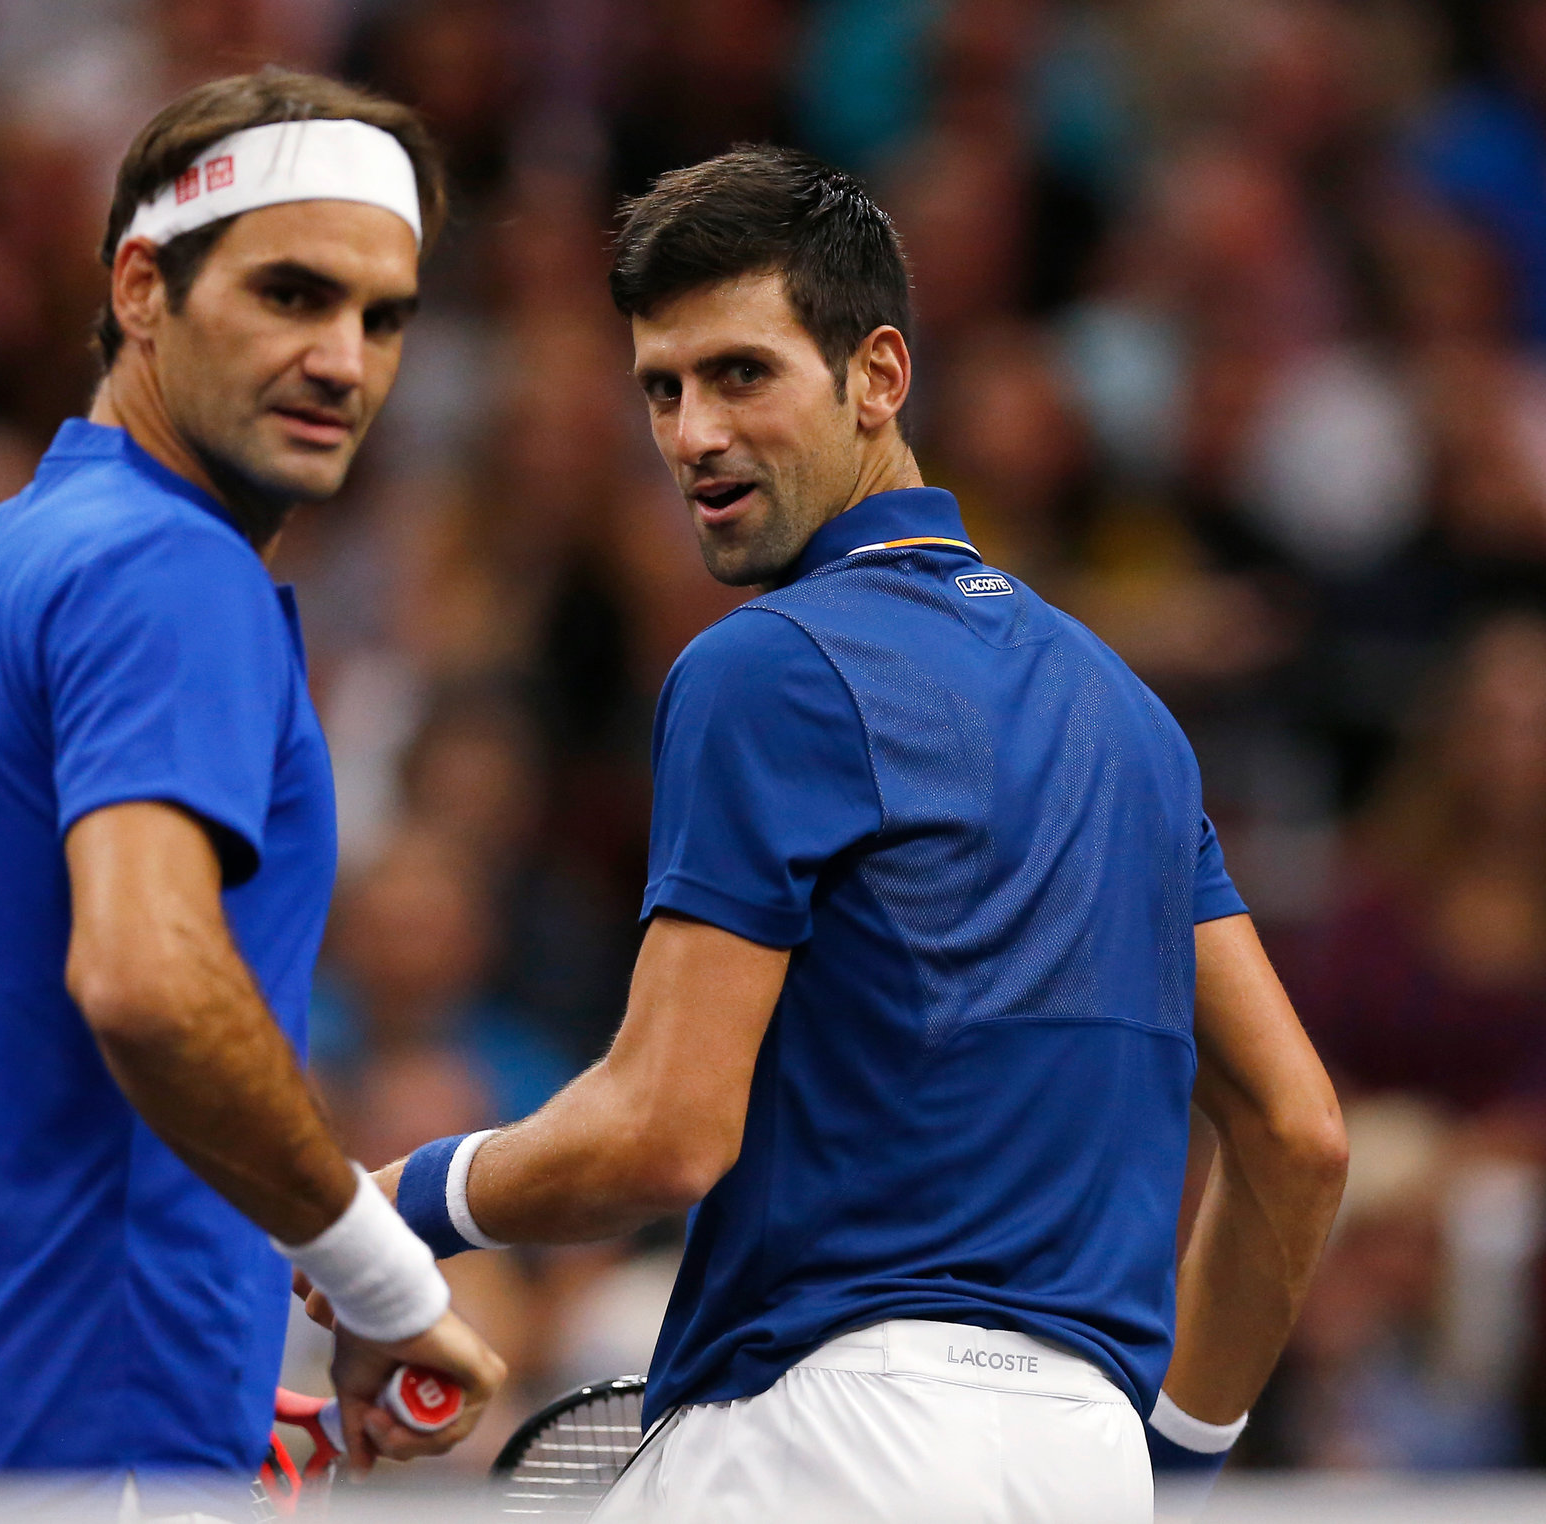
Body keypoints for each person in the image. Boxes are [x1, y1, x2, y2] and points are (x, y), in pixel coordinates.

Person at [362, 147, 1350, 1521]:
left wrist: (403, 1202)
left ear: (878, 377)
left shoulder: (761, 666)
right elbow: (1297, 1135)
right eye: (663, 387)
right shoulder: (1125, 713)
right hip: (1086, 1461)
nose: (692, 432)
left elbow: (662, 1131)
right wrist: (1172, 1455)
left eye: (741, 374)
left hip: (829, 1444)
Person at [0, 69, 505, 1514]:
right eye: (292, 295)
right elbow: (149, 980)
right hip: (78, 1472)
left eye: (382, 318)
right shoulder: (176, 572)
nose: (343, 361)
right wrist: (371, 1275)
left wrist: (148, 1324)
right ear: (140, 286)